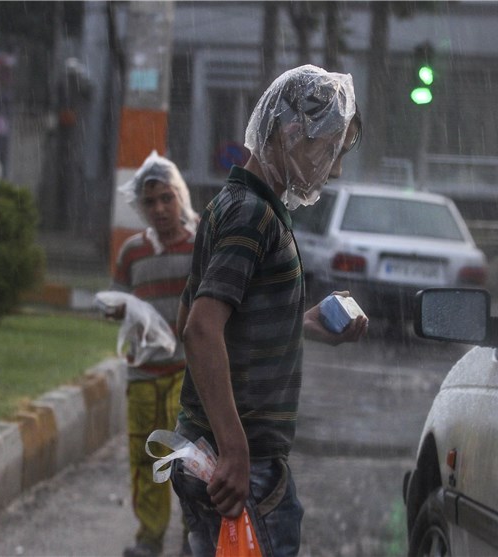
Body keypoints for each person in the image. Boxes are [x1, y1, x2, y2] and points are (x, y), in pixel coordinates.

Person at [170, 65, 368, 556]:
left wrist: (304, 325)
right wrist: (234, 450)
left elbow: (191, 318)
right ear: (290, 132)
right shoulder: (252, 216)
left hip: (205, 452)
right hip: (241, 467)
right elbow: (198, 331)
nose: (335, 169)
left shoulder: (230, 204)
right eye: (331, 150)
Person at [110, 151, 200, 557]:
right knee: (146, 458)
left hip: (189, 375)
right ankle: (149, 539)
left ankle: (192, 540)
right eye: (150, 201)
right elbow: (121, 302)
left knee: (187, 465)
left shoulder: (203, 247)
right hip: (142, 372)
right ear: (140, 207)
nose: (160, 208)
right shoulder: (131, 253)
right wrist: (114, 309)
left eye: (167, 197)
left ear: (180, 196)